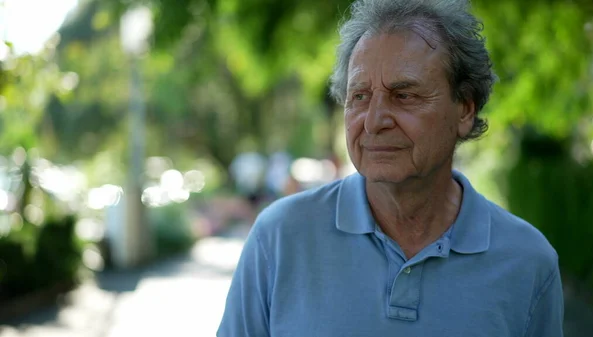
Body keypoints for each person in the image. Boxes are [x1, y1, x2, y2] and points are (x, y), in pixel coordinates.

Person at [218, 0, 564, 336]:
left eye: (404, 96)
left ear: (465, 110)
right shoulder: (280, 237)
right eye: (360, 97)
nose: (374, 122)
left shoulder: (528, 262)